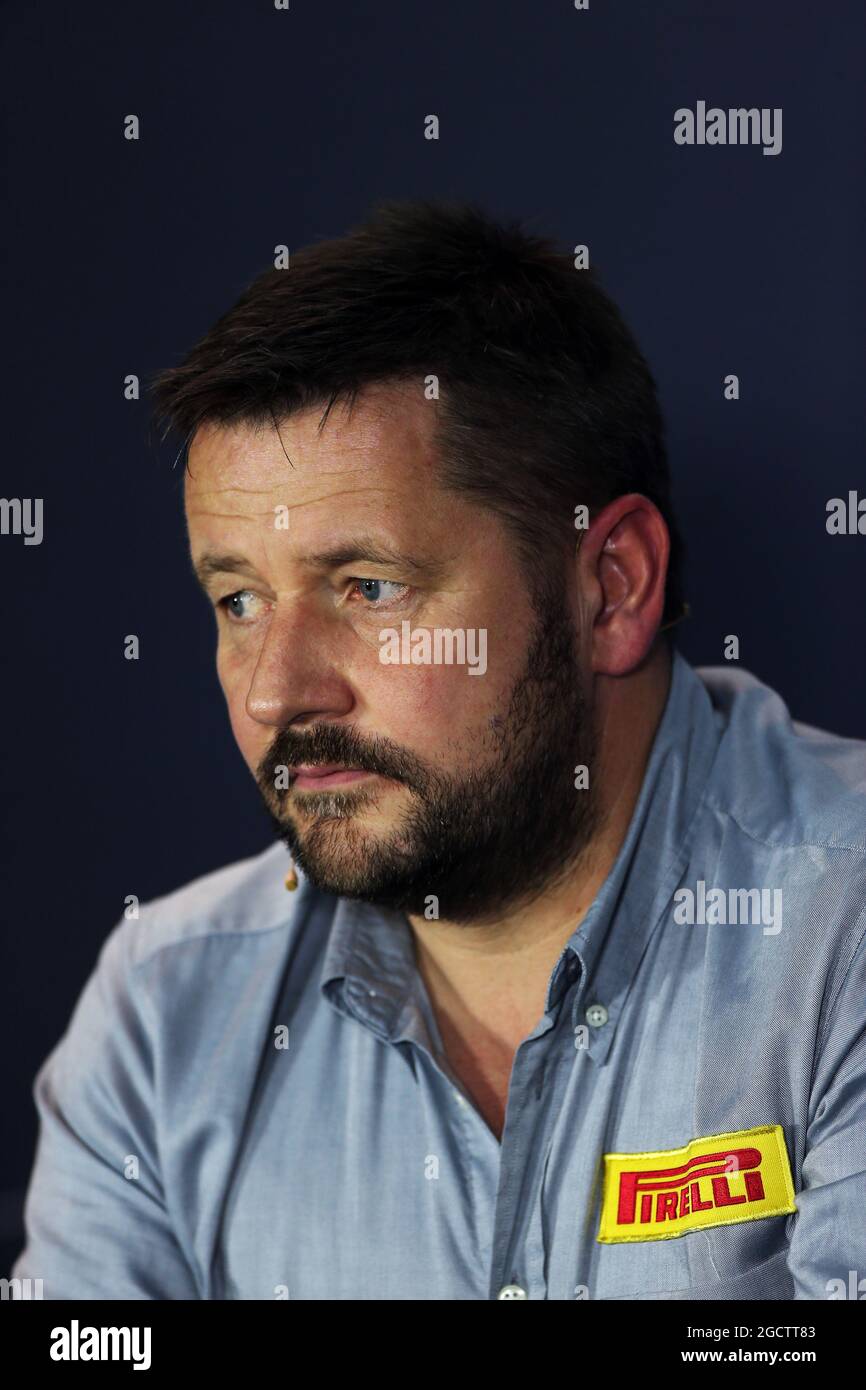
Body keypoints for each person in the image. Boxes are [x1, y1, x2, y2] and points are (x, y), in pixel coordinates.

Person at [11, 201, 866, 1300]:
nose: (276, 688)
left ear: (610, 587)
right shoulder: (162, 1017)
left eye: (366, 588)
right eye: (236, 600)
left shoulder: (836, 928)